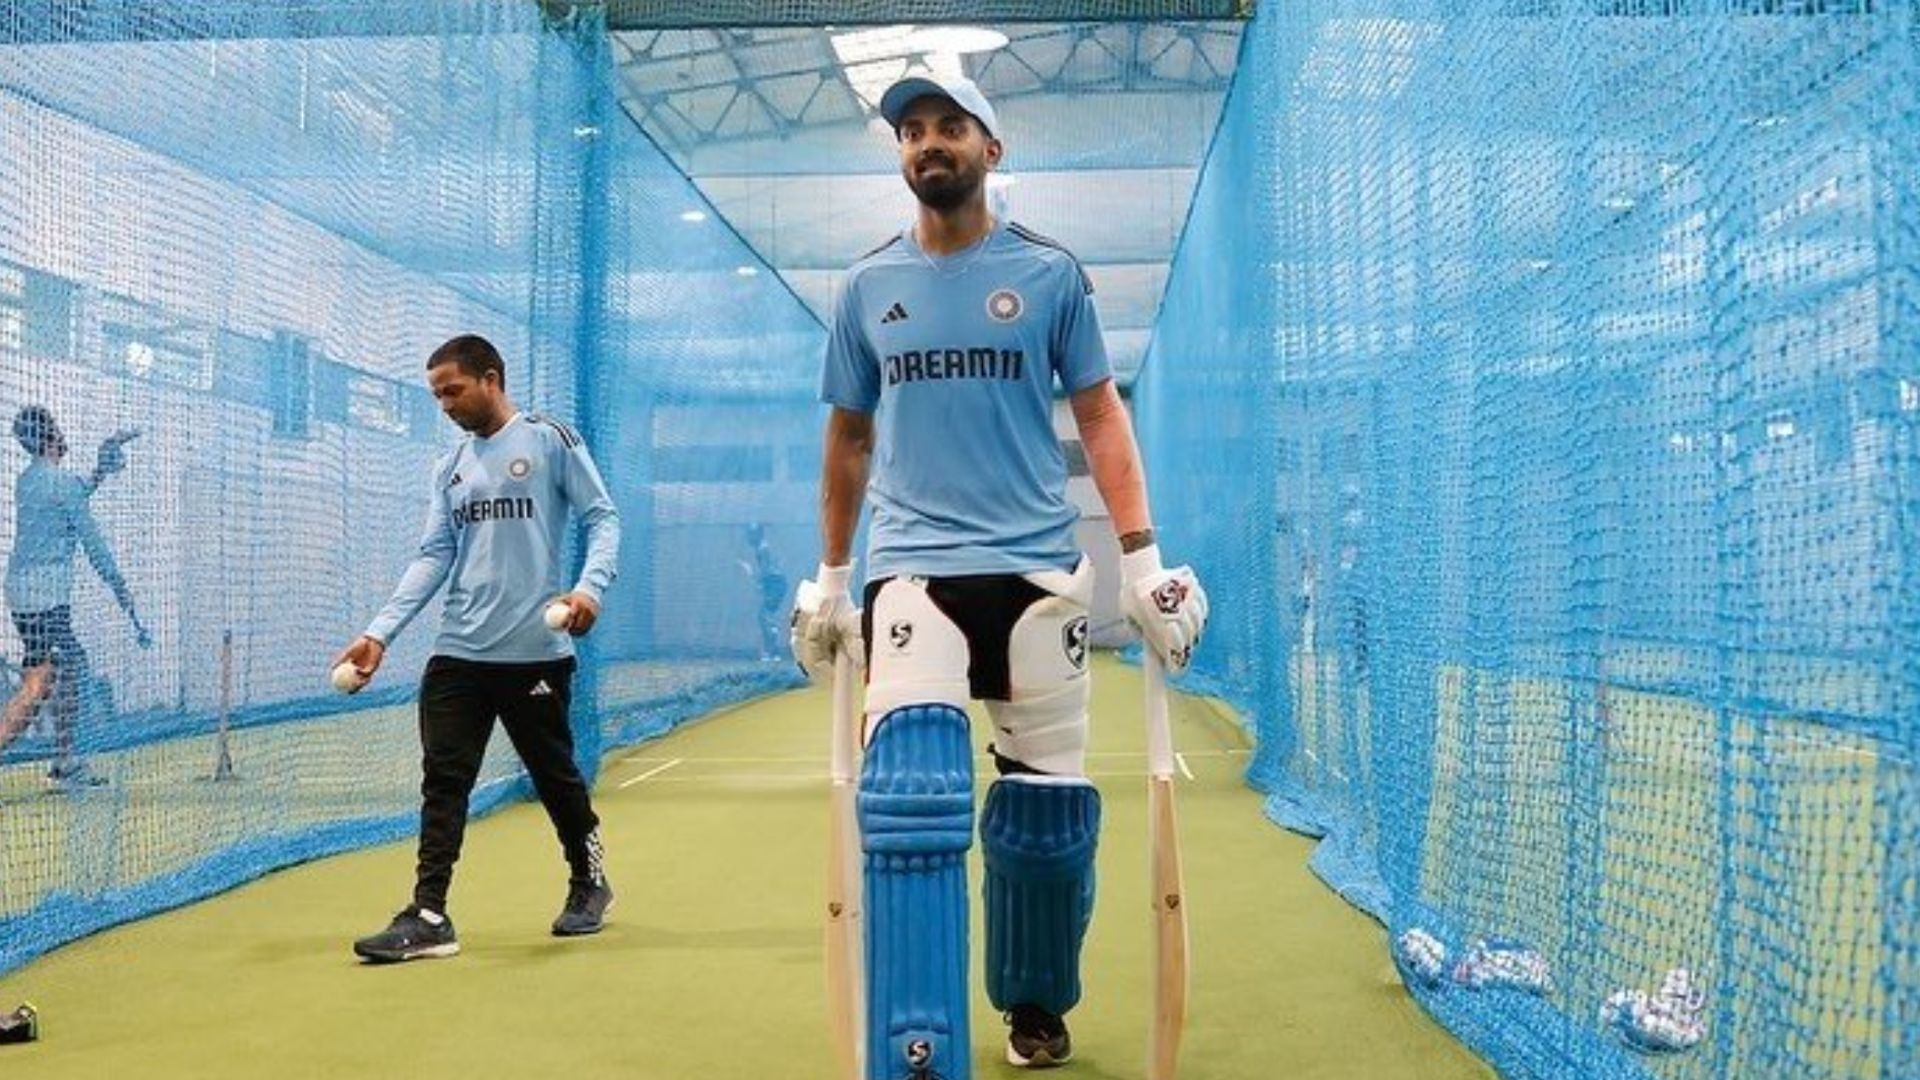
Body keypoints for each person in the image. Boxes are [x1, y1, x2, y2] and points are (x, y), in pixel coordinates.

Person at [790, 75, 1209, 1077]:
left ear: (992, 147)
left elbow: (1101, 416)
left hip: (1036, 576)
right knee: (910, 801)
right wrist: (833, 578)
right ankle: (919, 1040)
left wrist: (1143, 560)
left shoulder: (1051, 276)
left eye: (949, 128)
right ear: (900, 156)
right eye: (911, 132)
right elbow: (849, 437)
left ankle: (1034, 1006)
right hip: (913, 578)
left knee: (1045, 830)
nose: (928, 144)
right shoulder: (863, 289)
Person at [333, 334, 621, 963]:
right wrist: (380, 632)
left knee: (554, 777)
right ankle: (429, 913)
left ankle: (589, 879)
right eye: (436, 394)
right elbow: (435, 554)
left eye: (453, 390)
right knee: (444, 779)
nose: (444, 405)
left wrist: (589, 588)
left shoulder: (550, 440)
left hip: (536, 652)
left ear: (491, 379)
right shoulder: (452, 466)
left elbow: (603, 517)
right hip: (459, 650)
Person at [0, 407, 149, 788]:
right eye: (57, 429)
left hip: (22, 594)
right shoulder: (60, 484)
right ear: (51, 436)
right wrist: (120, 588)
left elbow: (72, 495)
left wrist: (101, 465)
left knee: (55, 673)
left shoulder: (29, 479)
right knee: (41, 682)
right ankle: (64, 761)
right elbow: (94, 544)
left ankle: (66, 761)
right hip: (46, 596)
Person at [741, 522, 788, 660]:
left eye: (751, 535)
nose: (749, 538)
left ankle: (773, 653)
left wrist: (750, 572)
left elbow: (766, 571)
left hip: (775, 585)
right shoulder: (762, 549)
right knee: (765, 617)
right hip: (774, 585)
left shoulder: (763, 549)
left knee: (765, 617)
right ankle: (771, 652)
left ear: (757, 535)